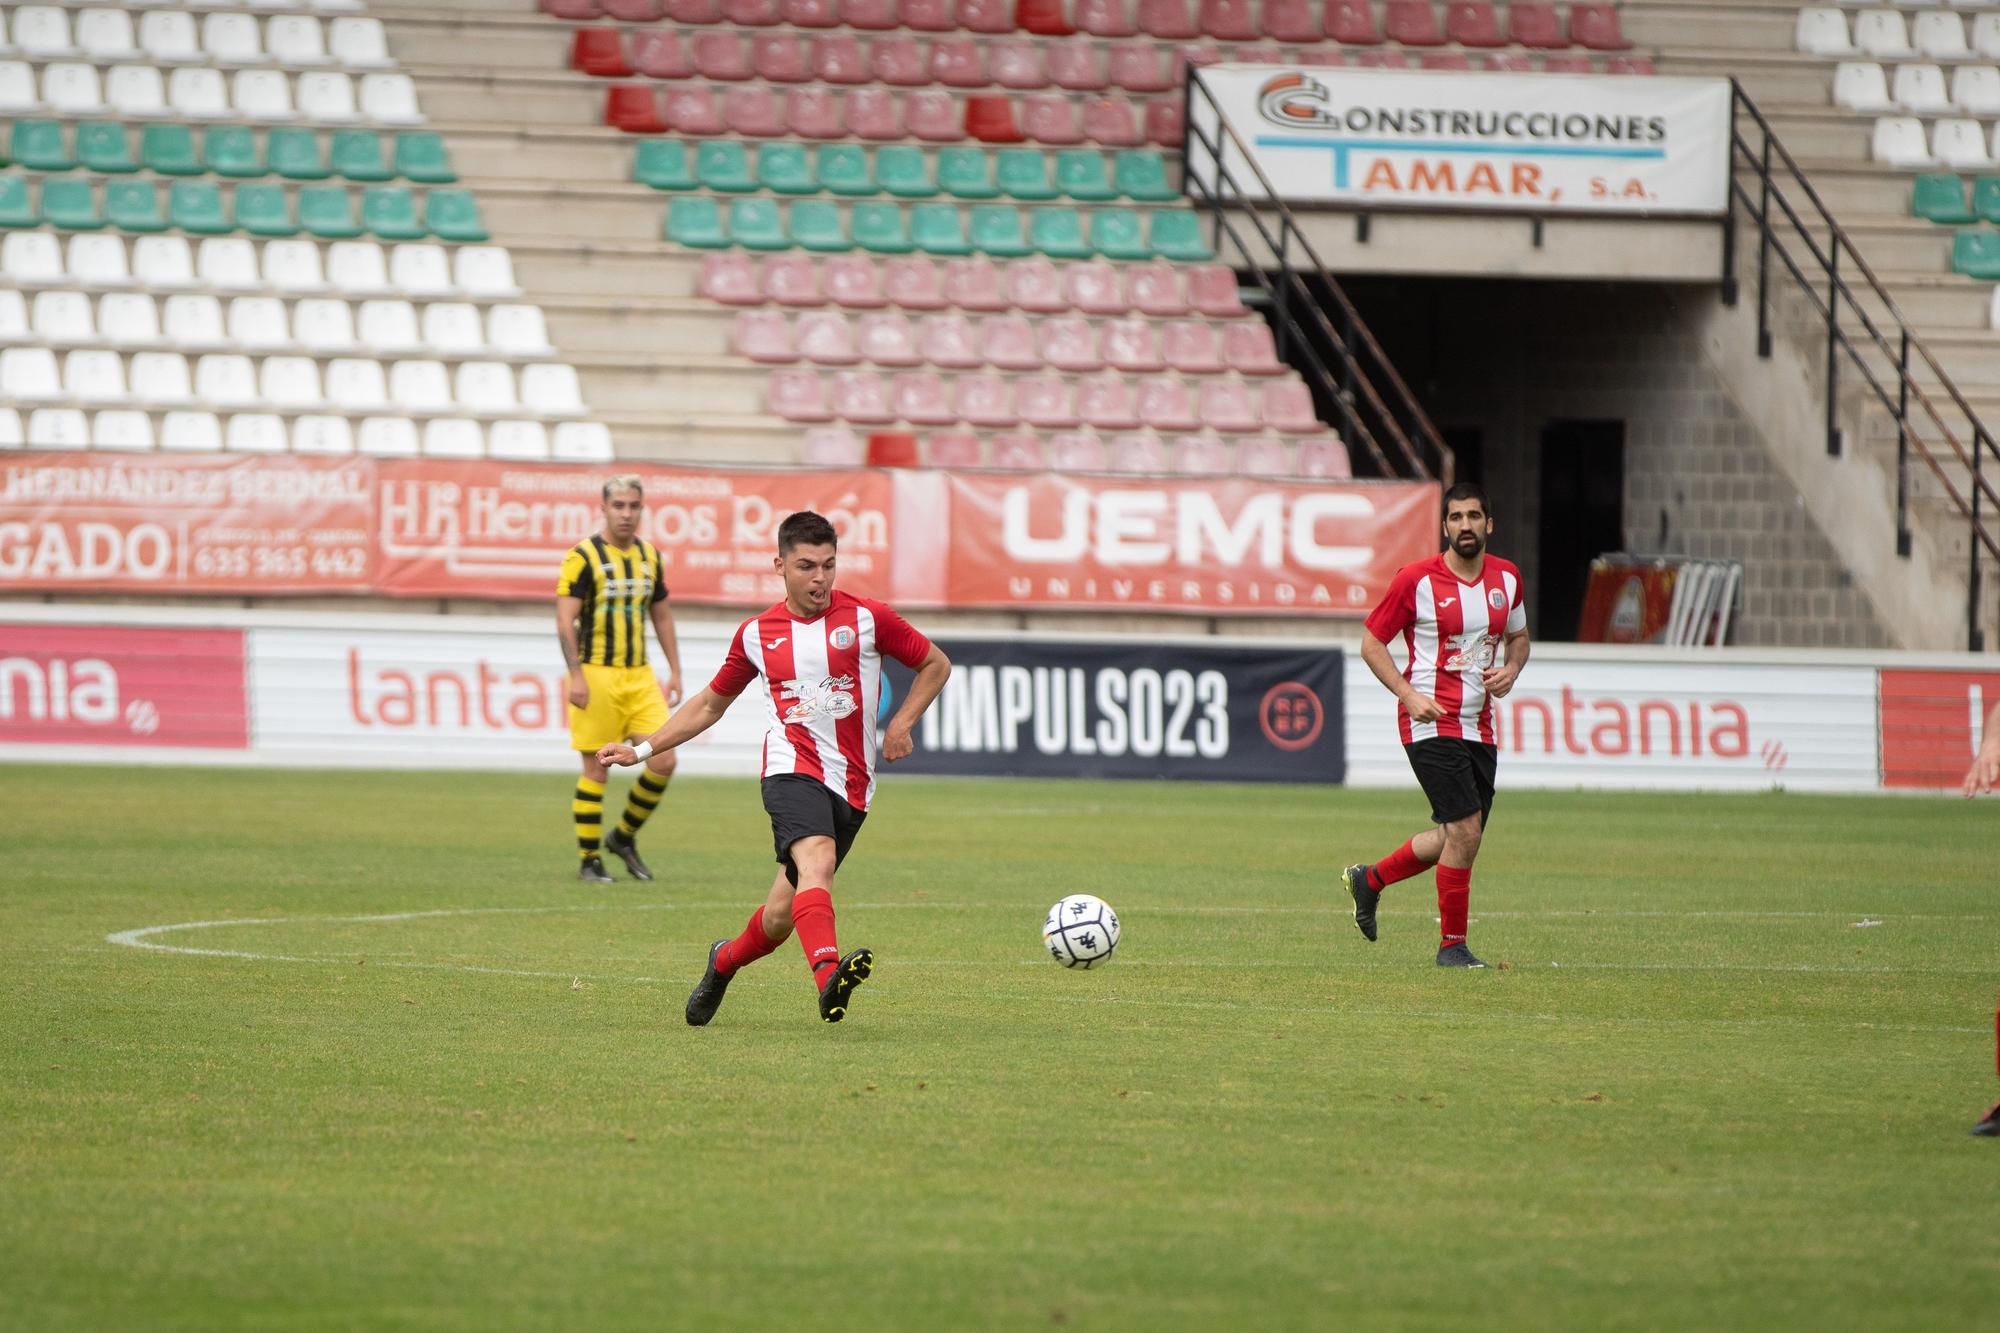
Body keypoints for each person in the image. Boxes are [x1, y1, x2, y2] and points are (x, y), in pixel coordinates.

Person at [599, 510, 951, 1026]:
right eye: (807, 566)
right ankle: (827, 976)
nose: (820, 579)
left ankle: (722, 961)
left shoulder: (868, 618)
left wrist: (901, 723)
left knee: (781, 917)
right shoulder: (757, 634)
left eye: (829, 566)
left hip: (852, 785)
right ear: (779, 565)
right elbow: (708, 705)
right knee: (818, 864)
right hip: (790, 768)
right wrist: (643, 750)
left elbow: (935, 663)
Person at [1341, 481, 1529, 968]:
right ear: (1444, 527)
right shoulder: (1415, 581)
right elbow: (1370, 643)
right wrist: (1408, 695)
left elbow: (1520, 637)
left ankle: (1371, 879)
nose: (1464, 525)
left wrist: (1512, 668)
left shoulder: (1507, 579)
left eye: (1473, 516)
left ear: (1489, 524)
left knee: (1456, 836)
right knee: (1464, 830)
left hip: (1480, 727)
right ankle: (1452, 947)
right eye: (1455, 517)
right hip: (1429, 723)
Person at [557, 475, 682, 884]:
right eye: (619, 506)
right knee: (596, 769)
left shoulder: (650, 556)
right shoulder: (582, 556)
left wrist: (675, 669)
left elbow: (661, 614)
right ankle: (589, 859)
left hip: (640, 675)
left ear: (641, 509)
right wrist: (576, 674)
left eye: (634, 506)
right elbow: (565, 619)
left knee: (664, 759)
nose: (626, 514)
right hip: (595, 675)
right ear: (604, 508)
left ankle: (623, 837)